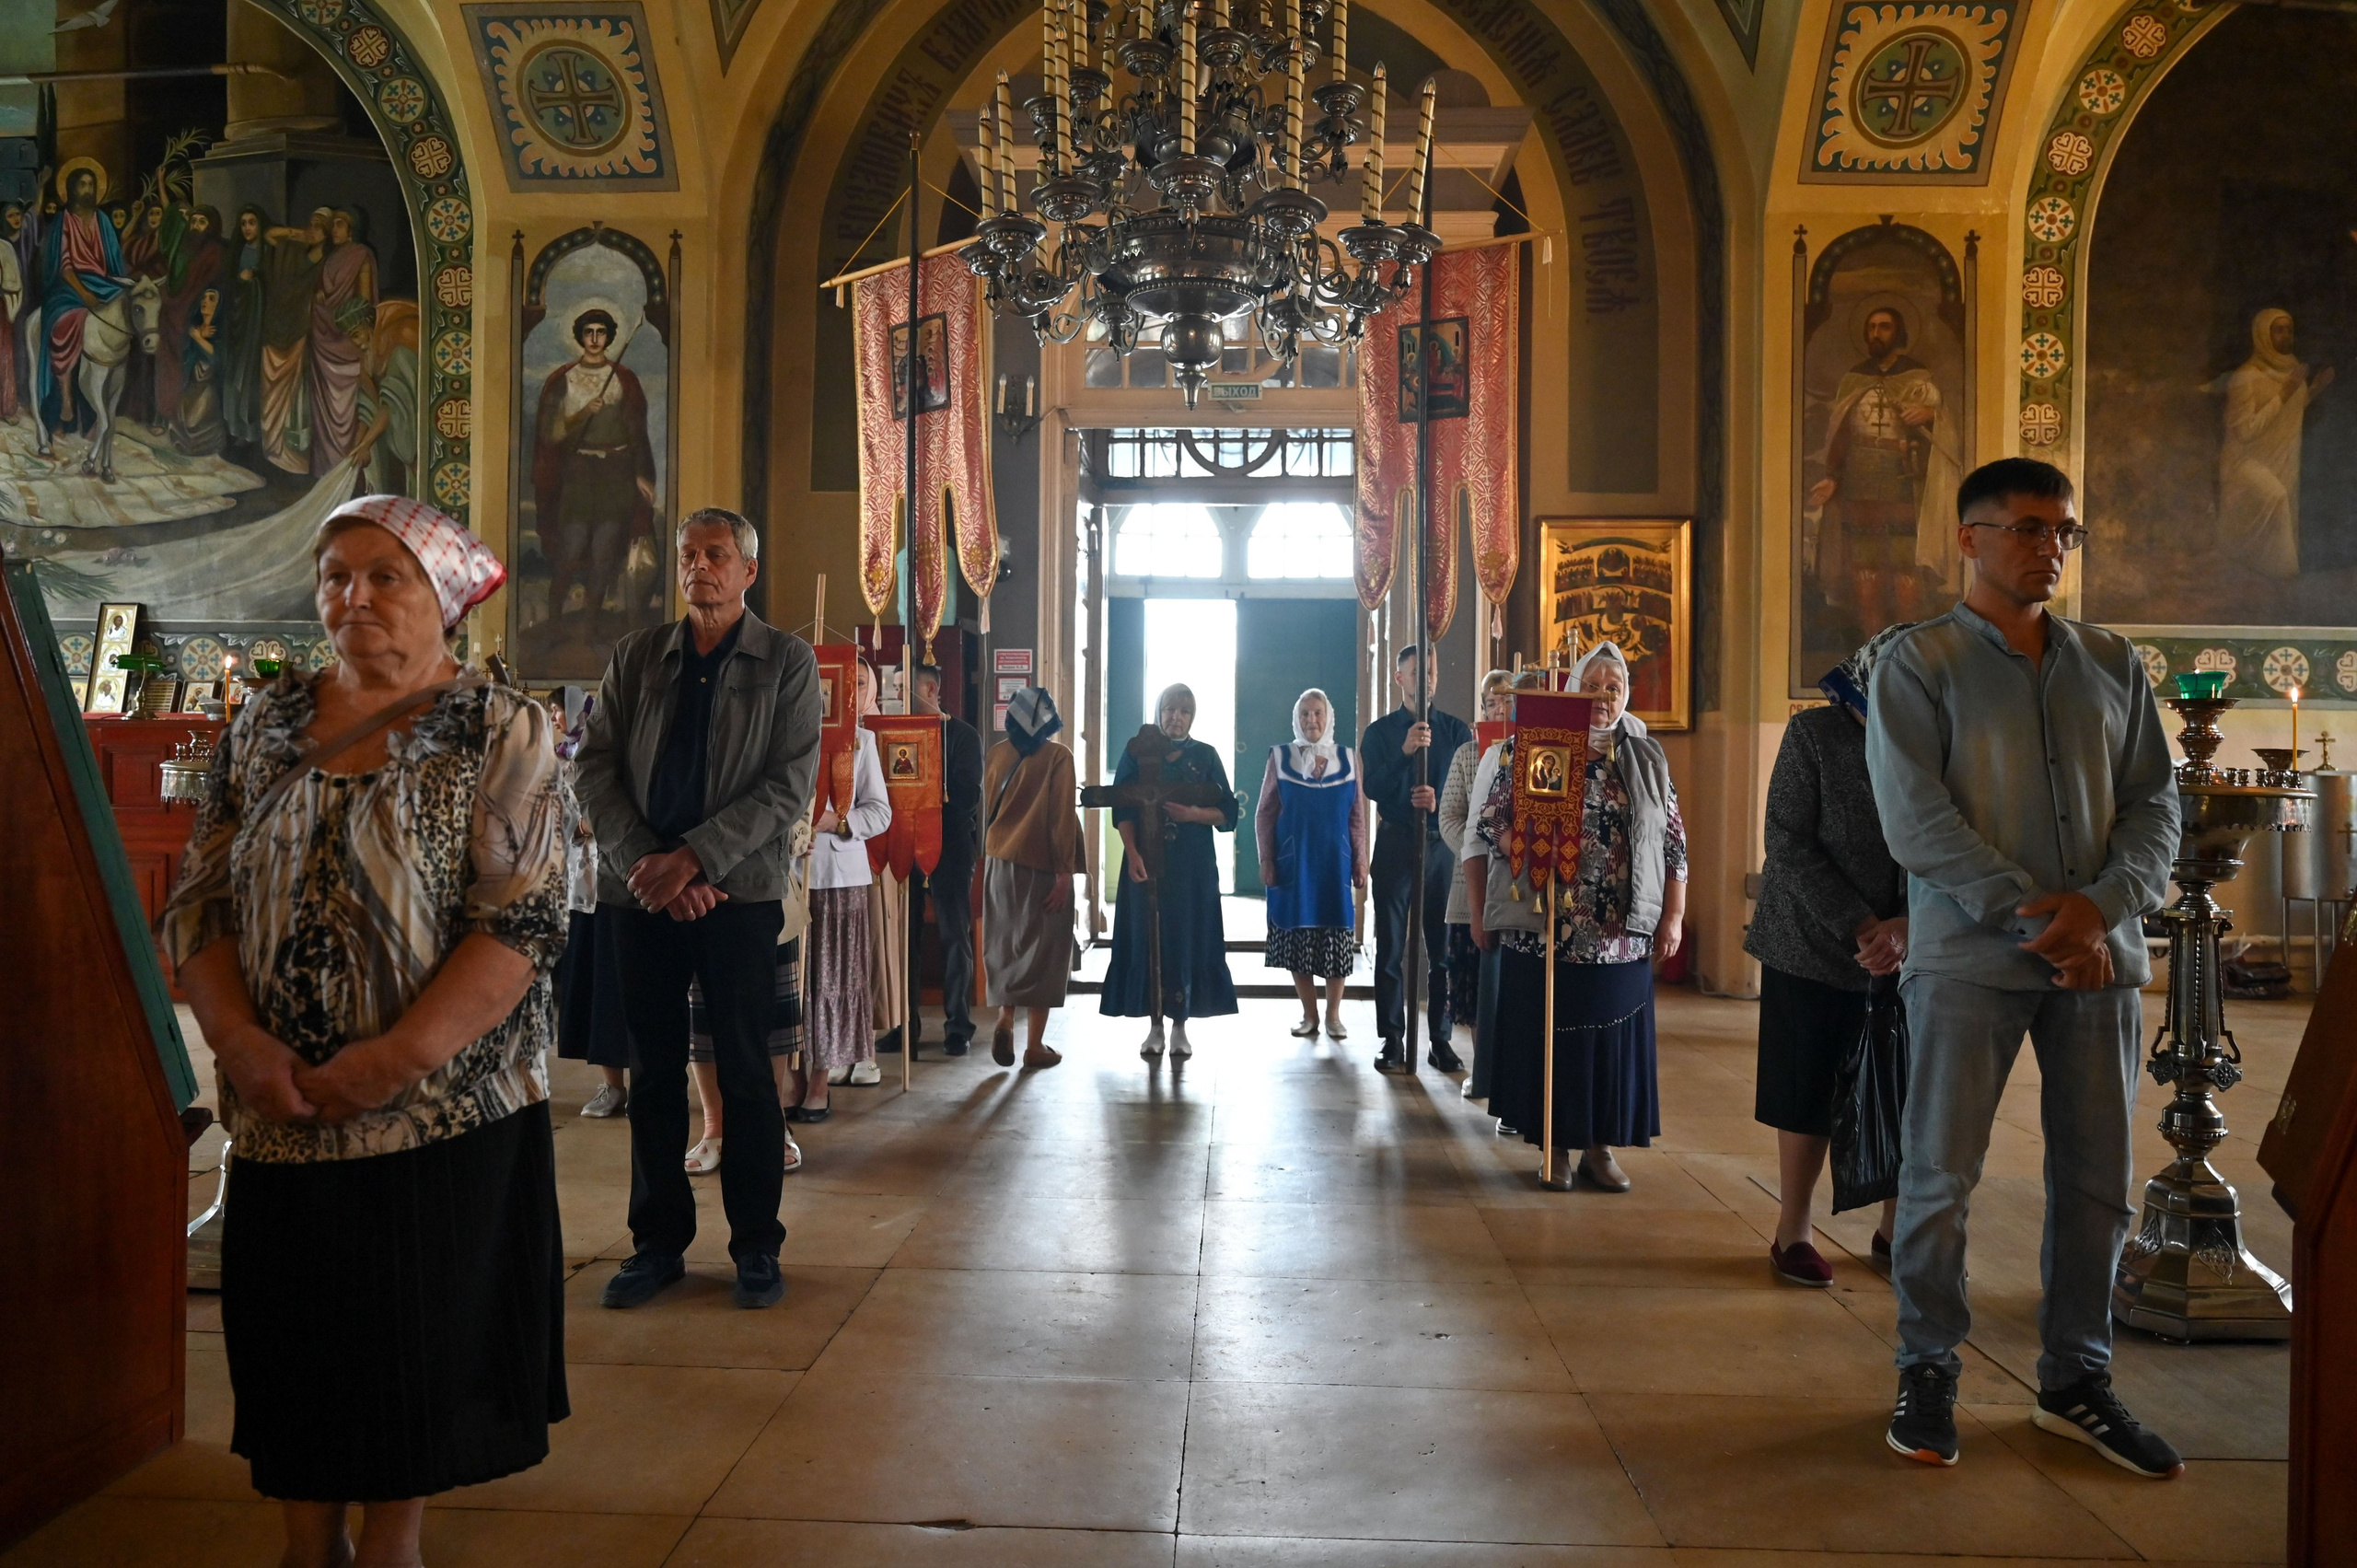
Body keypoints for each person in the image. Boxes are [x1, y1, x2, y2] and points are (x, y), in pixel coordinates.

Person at [161, 494, 564, 1568]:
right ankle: (307, 1543)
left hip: (438, 1115)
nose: (355, 596)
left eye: (385, 575)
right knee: (292, 1341)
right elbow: (198, 901)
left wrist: (395, 1057)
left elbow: (521, 919)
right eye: (336, 574)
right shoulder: (267, 722)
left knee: (412, 1343)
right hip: (281, 1107)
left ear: (442, 594)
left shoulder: (501, 727)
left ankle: (392, 1542)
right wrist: (238, 1043)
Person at [1867, 457, 2183, 1477]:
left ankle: (2074, 1378)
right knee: (1938, 1171)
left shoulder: (2109, 662)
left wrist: (2100, 907)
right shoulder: (1916, 664)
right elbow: (1917, 821)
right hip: (1969, 957)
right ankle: (1927, 1367)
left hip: (2099, 959)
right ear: (1969, 537)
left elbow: (2153, 806)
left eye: (2062, 532)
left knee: (2095, 1177)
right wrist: (2036, 912)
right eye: (2027, 528)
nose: (2048, 548)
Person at [575, 507, 822, 1313]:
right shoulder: (638, 655)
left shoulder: (785, 661)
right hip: (641, 892)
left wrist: (698, 859)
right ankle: (657, 1243)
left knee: (748, 1073)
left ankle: (755, 1244)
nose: (699, 568)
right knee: (652, 1074)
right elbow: (593, 765)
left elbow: (787, 784)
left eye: (717, 555)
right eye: (689, 555)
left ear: (749, 571)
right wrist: (648, 862)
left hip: (736, 895)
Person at [1468, 642, 1685, 1191]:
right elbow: (1492, 820)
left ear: (1625, 695)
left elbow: (1674, 842)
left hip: (1619, 933)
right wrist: (1537, 840)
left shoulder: (1647, 756)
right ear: (1574, 688)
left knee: (1607, 1043)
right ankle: (1555, 1147)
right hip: (1549, 925)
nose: (1602, 697)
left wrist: (1674, 914)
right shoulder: (1537, 748)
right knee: (1553, 1037)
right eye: (1592, 685)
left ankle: (1600, 1146)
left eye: (1613, 687)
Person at [1746, 626, 1912, 1286]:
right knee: (1807, 1089)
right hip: (1810, 943)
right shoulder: (1813, 735)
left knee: (1906, 1087)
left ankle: (1899, 1230)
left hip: (1905, 948)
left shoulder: (1929, 744)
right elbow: (1786, 841)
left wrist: (1908, 922)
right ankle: (1794, 1230)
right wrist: (1864, 923)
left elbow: (1942, 838)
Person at [1807, 303, 1965, 632]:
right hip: (1859, 482)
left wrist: (1931, 415)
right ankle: (1873, 645)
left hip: (1904, 483)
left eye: (1884, 327)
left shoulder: (1919, 379)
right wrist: (1833, 478)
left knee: (1905, 563)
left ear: (1899, 333)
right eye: (1871, 327)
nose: (1876, 334)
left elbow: (1945, 429)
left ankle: (1904, 645)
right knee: (1865, 566)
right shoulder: (1854, 380)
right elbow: (1841, 434)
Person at [1101, 682, 1238, 1059]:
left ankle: (1180, 1025)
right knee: (1149, 938)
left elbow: (1228, 812)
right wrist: (1132, 853)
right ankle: (1155, 1025)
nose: (1175, 717)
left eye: (1183, 711)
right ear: (1158, 712)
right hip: (1148, 863)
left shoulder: (1206, 757)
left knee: (1187, 939)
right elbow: (1122, 807)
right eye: (1168, 709)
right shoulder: (1137, 754)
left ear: (1192, 717)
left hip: (1192, 869)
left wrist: (1194, 814)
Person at [1360, 646, 1474, 1074]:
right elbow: (1371, 786)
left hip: (1440, 848)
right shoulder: (1380, 733)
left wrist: (1439, 800)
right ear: (1399, 679)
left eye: (1431, 671)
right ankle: (1392, 1039)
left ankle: (1441, 1040)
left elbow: (1470, 791)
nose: (1425, 679)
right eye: (1415, 672)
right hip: (1395, 844)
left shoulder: (1456, 732)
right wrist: (1406, 753)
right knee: (1390, 947)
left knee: (1442, 951)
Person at [795, 657, 892, 1117]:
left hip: (841, 879)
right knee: (794, 982)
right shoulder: (791, 735)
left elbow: (880, 812)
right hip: (793, 875)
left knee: (831, 980)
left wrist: (840, 821)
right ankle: (792, 1077)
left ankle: (821, 1080)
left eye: (861, 684)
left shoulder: (862, 742)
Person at [981, 685, 1084, 1068]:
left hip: (998, 862)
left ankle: (1005, 1018)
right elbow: (1060, 819)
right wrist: (1064, 873)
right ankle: (1035, 1046)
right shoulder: (1058, 756)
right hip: (1042, 866)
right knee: (1046, 953)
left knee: (1005, 945)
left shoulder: (995, 754)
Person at [1257, 688, 1367, 1040]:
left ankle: (1334, 1015)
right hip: (1294, 865)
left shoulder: (1348, 759)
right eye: (1305, 713)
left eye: (1318, 712)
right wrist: (1266, 859)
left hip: (1335, 865)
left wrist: (1361, 861)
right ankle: (1309, 1014)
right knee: (1298, 941)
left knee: (1336, 938)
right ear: (1297, 718)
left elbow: (1357, 817)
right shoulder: (1280, 758)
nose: (1312, 720)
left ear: (1328, 716)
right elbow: (1265, 814)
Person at [534, 307, 656, 622]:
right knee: (570, 549)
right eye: (589, 332)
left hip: (616, 474)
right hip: (579, 473)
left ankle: (589, 624)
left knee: (605, 552)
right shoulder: (565, 380)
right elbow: (550, 434)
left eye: (600, 332)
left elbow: (637, 432)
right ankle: (554, 621)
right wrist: (583, 412)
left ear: (609, 337)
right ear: (580, 337)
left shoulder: (623, 379)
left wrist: (642, 476)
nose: (594, 339)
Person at [550, 687, 631, 1119]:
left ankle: (650, 1080)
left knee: (627, 985)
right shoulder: (560, 757)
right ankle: (610, 1084)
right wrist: (576, 823)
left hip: (623, 883)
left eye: (559, 709)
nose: (555, 717)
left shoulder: (618, 755)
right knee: (595, 987)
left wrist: (592, 820)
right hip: (583, 890)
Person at [2217, 307, 2332, 581]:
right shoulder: (2246, 376)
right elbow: (2245, 431)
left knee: (2286, 505)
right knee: (2277, 497)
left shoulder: (2292, 369)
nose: (2285, 336)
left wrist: (2313, 389)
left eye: (2288, 330)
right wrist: (2285, 392)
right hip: (2246, 462)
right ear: (2263, 335)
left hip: (2280, 457)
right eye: (2278, 330)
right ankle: (2284, 576)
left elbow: (2289, 411)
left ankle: (2272, 581)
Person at [1441, 669, 1514, 1101]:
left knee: (1511, 991)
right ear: (1482, 709)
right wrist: (1479, 850)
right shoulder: (1469, 755)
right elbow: (1450, 815)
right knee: (1471, 984)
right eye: (1492, 701)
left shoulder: (1534, 752)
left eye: (1508, 700)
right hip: (1469, 885)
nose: (1499, 708)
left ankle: (1507, 1075)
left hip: (1519, 889)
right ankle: (1480, 1066)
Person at [911, 661, 983, 1056]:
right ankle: (905, 1023)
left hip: (952, 846)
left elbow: (966, 798)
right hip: (904, 845)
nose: (901, 695)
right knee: (904, 937)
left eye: (909, 688)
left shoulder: (963, 737)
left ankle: (959, 1023)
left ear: (932, 692)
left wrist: (924, 809)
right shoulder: (895, 736)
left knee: (954, 934)